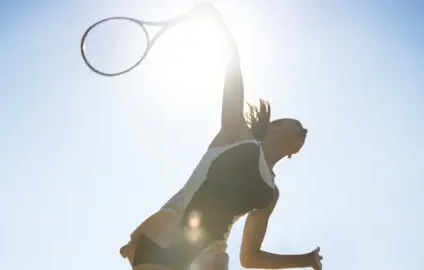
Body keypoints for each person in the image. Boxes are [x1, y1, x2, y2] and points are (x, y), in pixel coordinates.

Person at [120, 2, 323, 270]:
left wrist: (306, 260)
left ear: (291, 153)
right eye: (298, 126)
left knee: (219, 259)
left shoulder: (270, 194)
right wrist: (217, 23)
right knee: (178, 239)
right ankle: (137, 247)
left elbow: (249, 258)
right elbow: (233, 70)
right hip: (167, 238)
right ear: (275, 125)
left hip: (208, 254)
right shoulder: (235, 132)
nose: (304, 132)